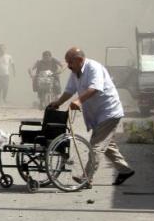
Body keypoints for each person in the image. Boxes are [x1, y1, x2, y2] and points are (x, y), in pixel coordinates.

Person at [48, 47, 135, 188]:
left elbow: (95, 88)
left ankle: (87, 178)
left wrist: (79, 101)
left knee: (96, 146)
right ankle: (125, 170)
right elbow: (69, 90)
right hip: (97, 114)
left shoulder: (93, 67)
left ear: (79, 60)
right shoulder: (75, 72)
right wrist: (58, 102)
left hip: (109, 111)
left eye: (70, 62)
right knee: (107, 145)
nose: (68, 66)